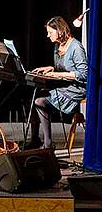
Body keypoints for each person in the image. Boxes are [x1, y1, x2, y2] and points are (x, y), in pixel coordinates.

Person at [27, 16, 87, 149]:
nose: (48, 36)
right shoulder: (57, 45)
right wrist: (51, 68)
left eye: (50, 32)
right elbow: (64, 67)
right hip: (64, 84)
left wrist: (56, 73)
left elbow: (83, 74)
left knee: (40, 101)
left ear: (59, 31)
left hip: (77, 88)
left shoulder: (76, 47)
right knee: (34, 96)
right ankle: (35, 139)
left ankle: (48, 144)